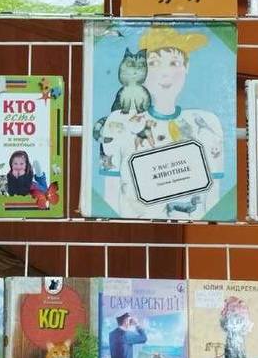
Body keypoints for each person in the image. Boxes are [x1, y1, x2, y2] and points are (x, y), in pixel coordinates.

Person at [96, 26, 225, 219]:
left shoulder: (208, 123)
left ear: (187, 67)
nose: (165, 73)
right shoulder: (119, 122)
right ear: (143, 70)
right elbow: (110, 195)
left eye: (174, 63)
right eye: (154, 63)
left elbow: (214, 199)